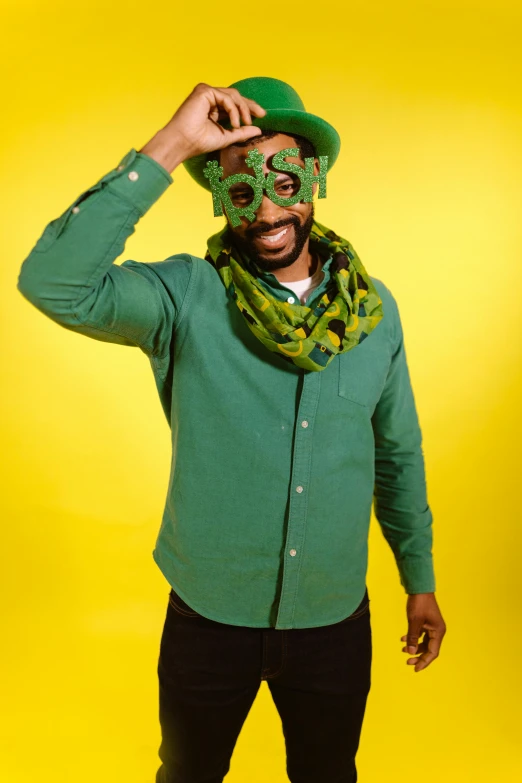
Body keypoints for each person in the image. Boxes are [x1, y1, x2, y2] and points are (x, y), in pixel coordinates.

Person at [17, 77, 447, 783]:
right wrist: (175, 141)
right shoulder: (185, 294)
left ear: (314, 180)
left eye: (284, 179)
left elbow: (396, 450)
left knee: (328, 771)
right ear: (220, 195)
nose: (268, 207)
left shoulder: (373, 312)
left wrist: (419, 577)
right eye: (242, 188)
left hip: (334, 614)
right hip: (209, 615)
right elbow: (52, 281)